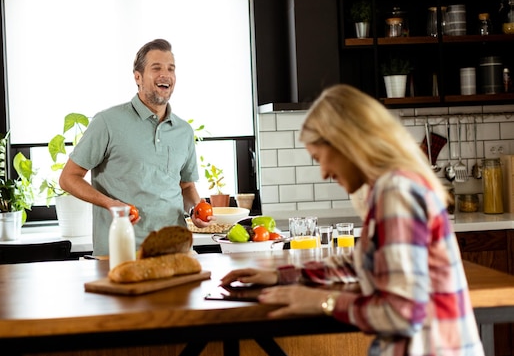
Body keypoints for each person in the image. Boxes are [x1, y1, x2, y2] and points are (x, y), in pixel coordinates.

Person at [220, 84, 484, 356]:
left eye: (319, 158)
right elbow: (359, 262)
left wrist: (324, 302)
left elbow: (404, 313)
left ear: (346, 142)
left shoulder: (396, 192)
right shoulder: (390, 187)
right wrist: (279, 276)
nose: (323, 172)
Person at [59, 38, 213, 255]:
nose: (165, 74)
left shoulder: (183, 131)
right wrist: (110, 203)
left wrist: (196, 208)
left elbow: (186, 187)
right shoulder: (107, 122)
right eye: (156, 67)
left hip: (175, 250)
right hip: (121, 252)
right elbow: (68, 178)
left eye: (171, 68)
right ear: (137, 77)